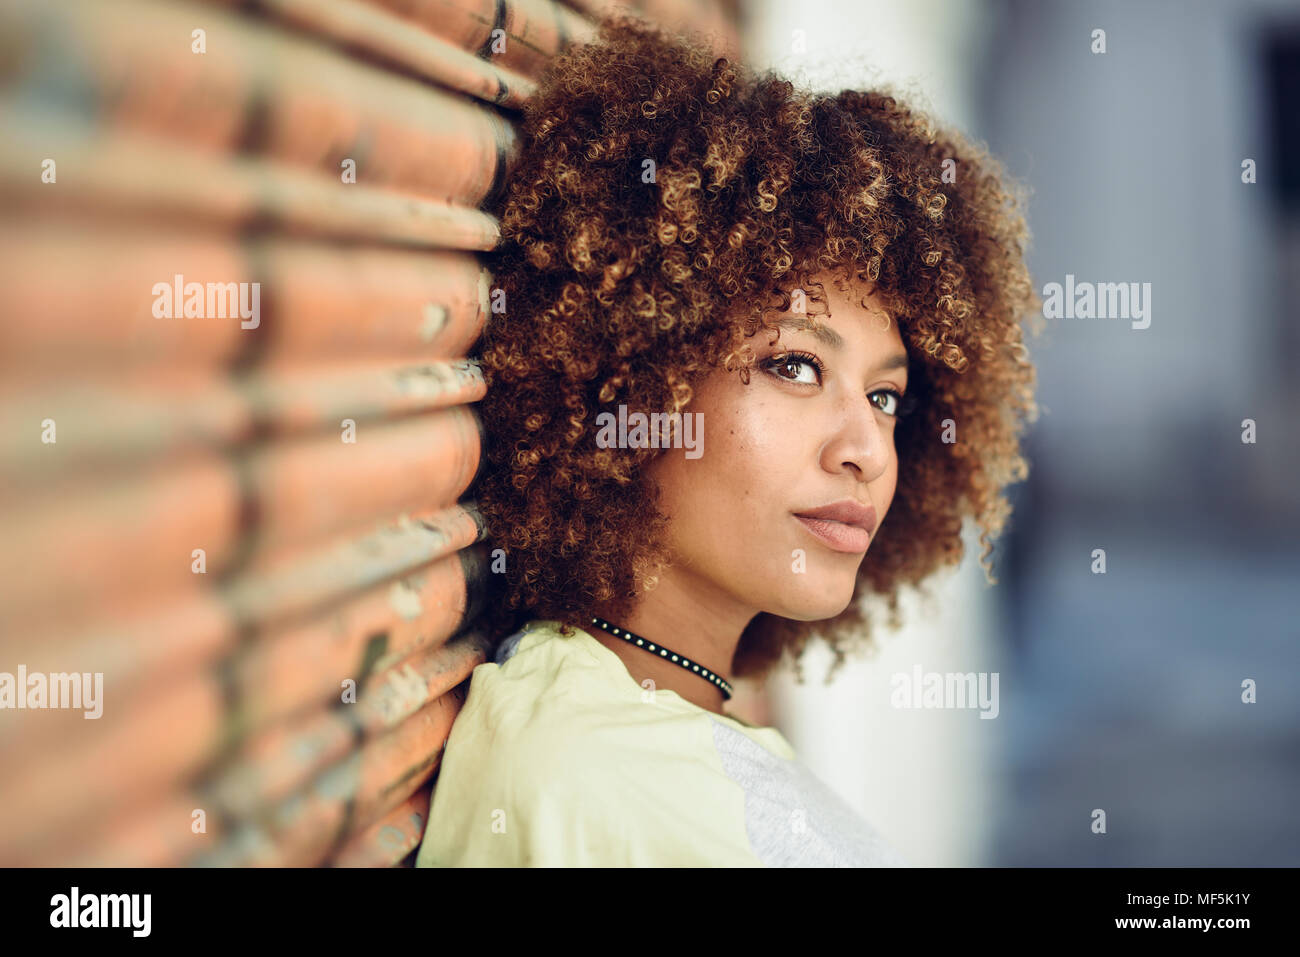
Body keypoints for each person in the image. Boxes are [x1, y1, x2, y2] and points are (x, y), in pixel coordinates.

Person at [416, 12, 1041, 867]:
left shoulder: (645, 719)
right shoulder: (592, 782)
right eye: (793, 366)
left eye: (887, 394)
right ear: (632, 371)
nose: (867, 448)